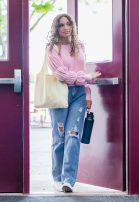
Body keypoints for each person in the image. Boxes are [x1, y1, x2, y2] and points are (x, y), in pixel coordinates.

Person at [46, 13, 101, 193]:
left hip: (78, 94)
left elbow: (80, 71)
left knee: (73, 135)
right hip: (59, 93)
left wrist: (87, 92)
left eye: (68, 24)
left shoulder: (80, 46)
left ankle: (68, 179)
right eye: (61, 25)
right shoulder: (51, 47)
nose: (65, 27)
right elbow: (61, 74)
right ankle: (57, 176)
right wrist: (86, 78)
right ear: (56, 28)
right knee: (59, 137)